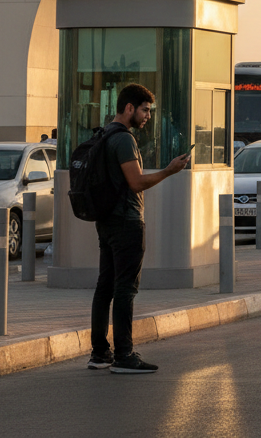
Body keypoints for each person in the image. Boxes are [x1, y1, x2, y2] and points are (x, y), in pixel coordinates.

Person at [89, 84, 190, 374]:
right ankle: (124, 355)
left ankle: (100, 353)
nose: (148, 116)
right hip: (127, 222)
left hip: (106, 221)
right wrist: (169, 171)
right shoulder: (124, 139)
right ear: (129, 108)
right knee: (125, 288)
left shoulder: (104, 134)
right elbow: (136, 182)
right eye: (145, 110)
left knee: (105, 286)